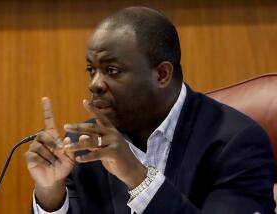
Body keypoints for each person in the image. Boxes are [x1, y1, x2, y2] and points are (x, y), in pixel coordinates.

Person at [24, 6, 275, 214]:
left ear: (162, 74)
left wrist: (137, 177)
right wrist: (51, 194)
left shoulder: (237, 143)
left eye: (112, 70)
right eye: (92, 70)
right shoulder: (83, 146)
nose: (95, 84)